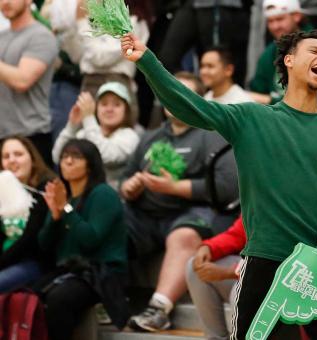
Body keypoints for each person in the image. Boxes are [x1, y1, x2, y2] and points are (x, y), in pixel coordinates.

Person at [121, 27, 317, 339]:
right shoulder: (252, 118)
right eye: (314, 51)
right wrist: (148, 61)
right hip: (267, 263)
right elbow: (190, 107)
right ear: (288, 60)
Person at [123, 72, 238, 332]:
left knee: (184, 234)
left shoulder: (212, 131)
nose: (172, 97)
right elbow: (126, 177)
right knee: (111, 220)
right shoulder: (151, 137)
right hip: (147, 214)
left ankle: (159, 308)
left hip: (196, 212)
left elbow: (227, 187)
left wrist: (176, 188)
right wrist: (128, 187)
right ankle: (109, 297)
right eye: (167, 91)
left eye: (180, 92)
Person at [37, 139, 128, 340]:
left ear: (90, 164)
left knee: (60, 298)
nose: (68, 161)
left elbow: (91, 239)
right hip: (72, 271)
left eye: (76, 157)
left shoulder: (103, 194)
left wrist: (66, 210)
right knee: (29, 294)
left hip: (103, 273)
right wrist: (54, 217)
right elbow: (43, 245)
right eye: (64, 157)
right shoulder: (65, 199)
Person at [0, 0, 59, 165]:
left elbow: (22, 80)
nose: (5, 2)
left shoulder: (41, 36)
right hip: (3, 136)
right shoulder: (2, 36)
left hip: (31, 137)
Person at [52, 81, 139, 189]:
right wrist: (72, 126)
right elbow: (58, 157)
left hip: (111, 198)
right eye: (104, 104)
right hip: (83, 196)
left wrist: (88, 117)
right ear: (96, 108)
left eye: (116, 104)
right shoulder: (84, 133)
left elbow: (106, 156)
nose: (109, 109)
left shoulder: (130, 136)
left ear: (126, 110)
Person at [0, 136, 55, 292]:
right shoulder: (2, 191)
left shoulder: (46, 188)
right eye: (6, 156)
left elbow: (30, 240)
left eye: (18, 154)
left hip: (35, 262)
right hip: (7, 261)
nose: (12, 160)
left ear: (32, 158)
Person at [186, 215, 246, 340]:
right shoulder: (256, 199)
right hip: (248, 268)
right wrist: (208, 247)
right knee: (195, 268)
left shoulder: (287, 201)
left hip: (282, 282)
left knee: (241, 289)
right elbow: (237, 234)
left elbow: (275, 260)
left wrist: (229, 272)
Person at [248, 0, 309, 104]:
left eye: (280, 19)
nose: (275, 26)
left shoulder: (314, 46)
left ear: (296, 16)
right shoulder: (269, 53)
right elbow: (257, 89)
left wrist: (270, 100)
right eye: (270, 21)